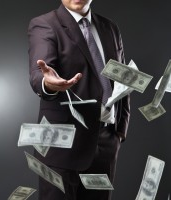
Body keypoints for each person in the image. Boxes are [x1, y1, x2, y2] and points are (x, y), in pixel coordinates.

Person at [27, 0, 130, 200]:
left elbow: (123, 78)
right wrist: (48, 83)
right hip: (61, 144)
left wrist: (119, 131)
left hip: (105, 142)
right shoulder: (45, 24)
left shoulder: (109, 27)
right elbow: (38, 73)